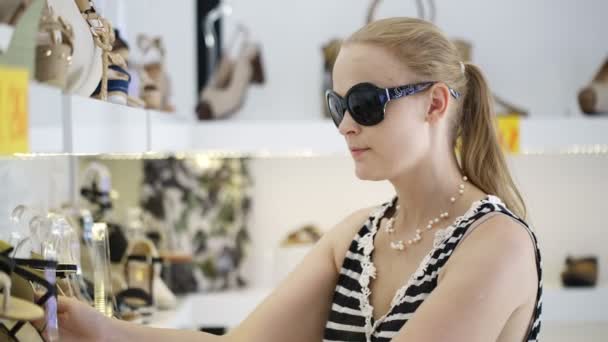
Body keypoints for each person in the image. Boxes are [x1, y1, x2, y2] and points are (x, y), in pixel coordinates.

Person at [51, 17, 542, 342]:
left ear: (435, 103)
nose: (347, 124)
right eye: (337, 105)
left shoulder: (496, 243)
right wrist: (101, 329)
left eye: (366, 103)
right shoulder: (356, 238)